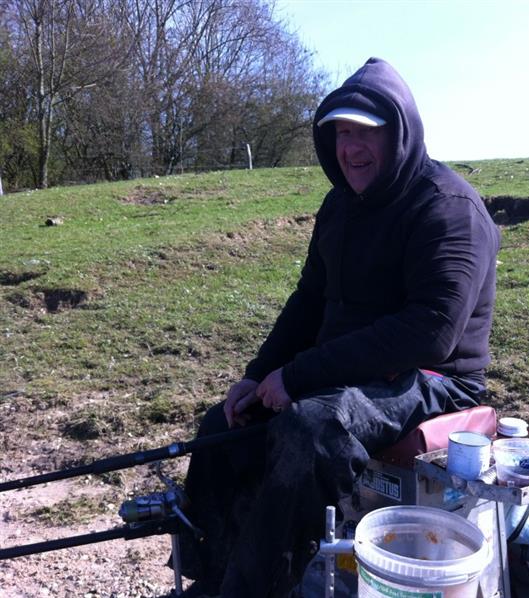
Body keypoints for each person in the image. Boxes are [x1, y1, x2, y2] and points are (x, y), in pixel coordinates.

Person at [169, 57, 501, 598]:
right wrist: (258, 375)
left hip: (434, 378)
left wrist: (298, 377)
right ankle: (213, 577)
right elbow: (309, 301)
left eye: (366, 132)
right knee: (224, 426)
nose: (351, 148)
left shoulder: (448, 207)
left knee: (312, 430)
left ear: (399, 133)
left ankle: (256, 590)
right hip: (350, 371)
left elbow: (431, 331)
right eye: (342, 133)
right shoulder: (340, 205)